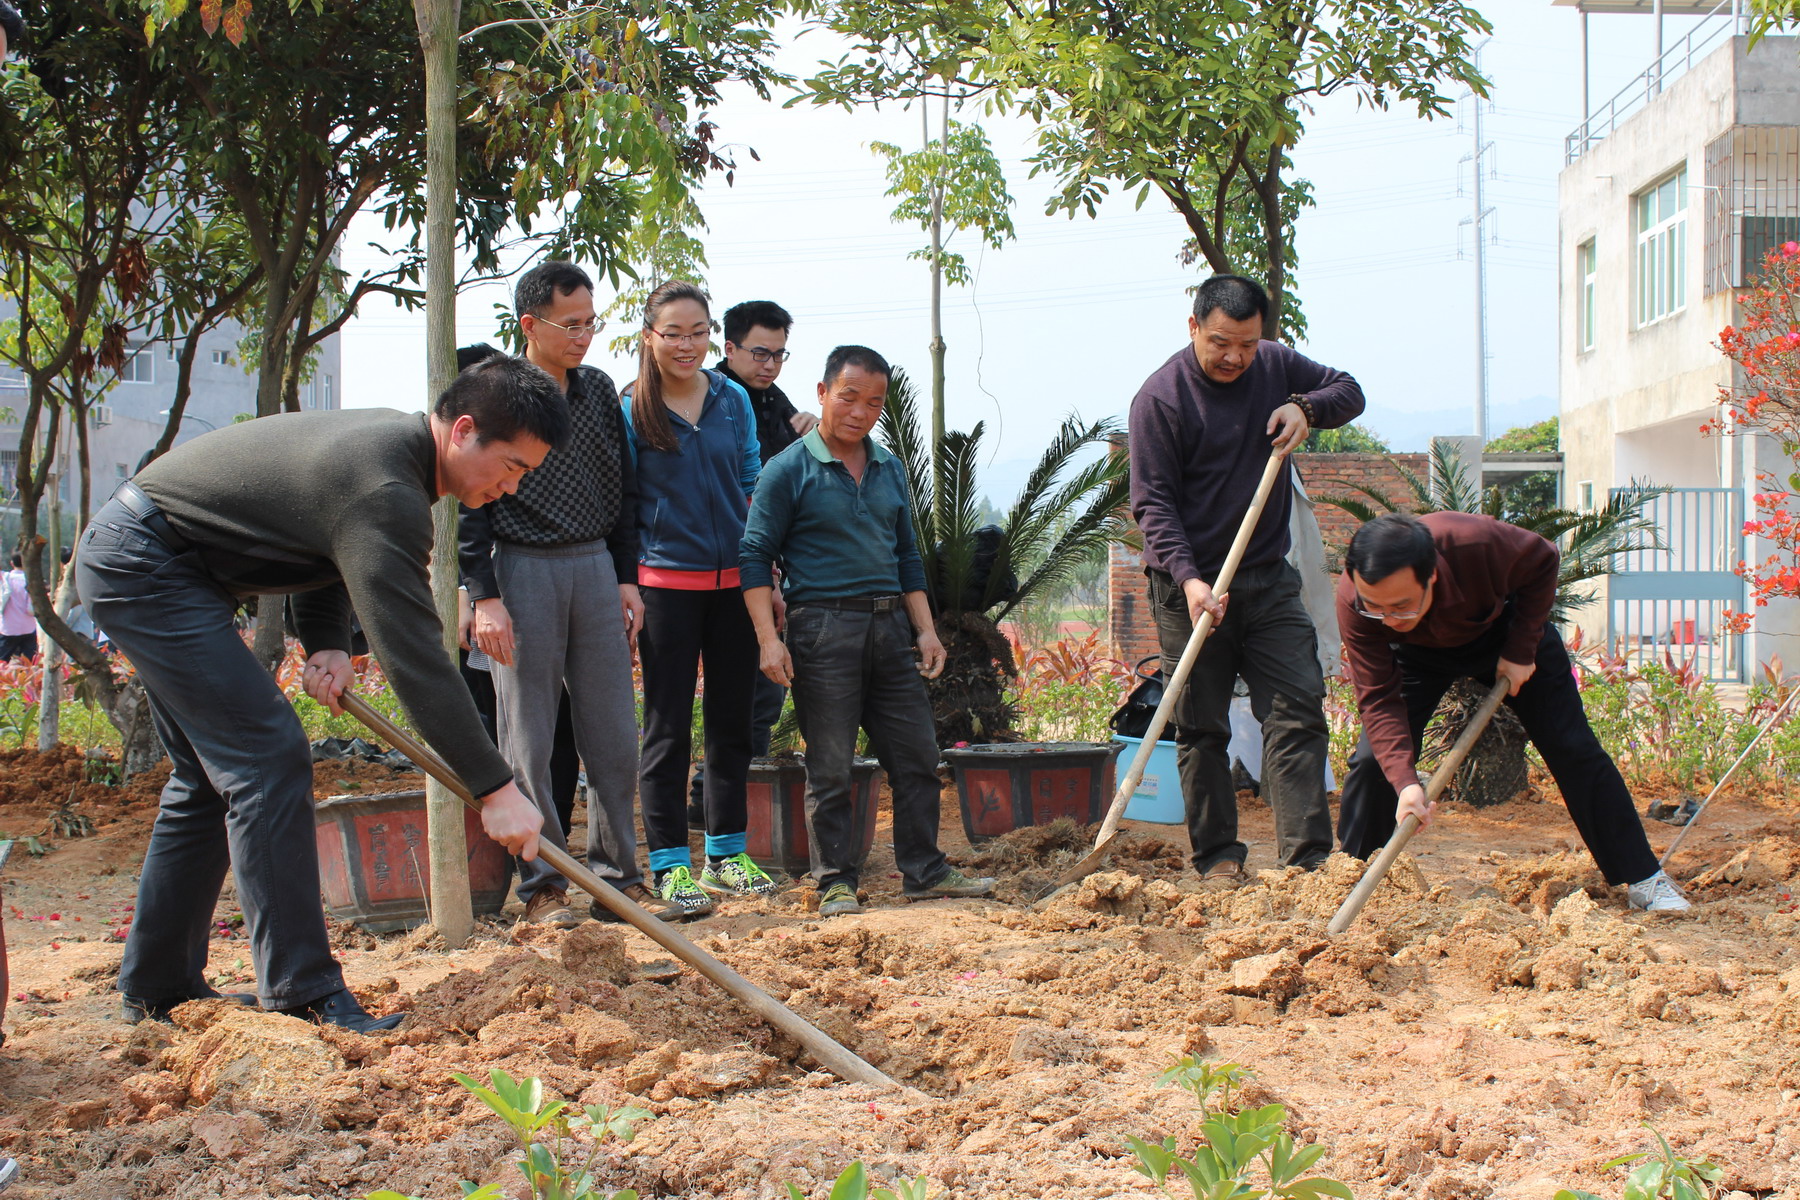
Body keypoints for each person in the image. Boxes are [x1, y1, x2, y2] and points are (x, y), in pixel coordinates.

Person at [74, 355, 562, 1033]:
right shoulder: (387, 487)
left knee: (211, 779)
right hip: (150, 564)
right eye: (511, 466)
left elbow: (325, 536)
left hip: (156, 560)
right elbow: (416, 659)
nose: (511, 487)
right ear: (464, 430)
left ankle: (159, 987)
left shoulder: (394, 460)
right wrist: (494, 787)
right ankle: (303, 992)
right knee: (267, 758)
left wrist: (328, 640)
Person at [459, 261, 679, 926]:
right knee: (525, 733)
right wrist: (483, 595)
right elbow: (468, 505)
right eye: (571, 324)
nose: (584, 335)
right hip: (521, 567)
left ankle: (619, 878)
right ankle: (543, 887)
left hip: (593, 567)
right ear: (530, 325)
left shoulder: (598, 391)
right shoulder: (492, 392)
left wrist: (625, 577)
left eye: (592, 322)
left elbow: (624, 490)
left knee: (613, 728)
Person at [741, 345, 995, 917]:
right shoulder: (787, 470)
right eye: (849, 396)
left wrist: (926, 631)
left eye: (874, 402)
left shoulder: (888, 468)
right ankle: (834, 880)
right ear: (823, 393)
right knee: (830, 764)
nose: (860, 411)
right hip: (821, 629)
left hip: (891, 629)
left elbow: (908, 556)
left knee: (917, 755)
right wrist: (767, 638)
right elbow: (755, 557)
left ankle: (925, 871)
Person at [1128, 274, 1365, 886]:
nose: (1235, 357)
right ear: (1193, 328)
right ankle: (1217, 858)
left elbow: (1349, 391)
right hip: (1190, 590)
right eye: (1220, 342)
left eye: (1248, 344)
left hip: (1268, 578)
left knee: (1296, 710)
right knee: (1201, 725)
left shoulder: (1277, 366)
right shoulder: (1161, 400)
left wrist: (1304, 407)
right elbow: (1152, 506)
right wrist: (1189, 580)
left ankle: (1307, 861)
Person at [1335, 512, 1691, 913]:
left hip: (1505, 632)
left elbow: (1544, 559)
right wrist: (1405, 784)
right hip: (1417, 657)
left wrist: (1521, 650)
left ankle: (1642, 877)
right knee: (1372, 763)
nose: (1388, 619)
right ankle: (1352, 876)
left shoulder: (1477, 544)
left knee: (1573, 748)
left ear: (1431, 576)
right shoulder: (1357, 605)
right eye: (1375, 608)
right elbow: (1379, 698)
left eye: (1400, 607)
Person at [622, 282, 778, 917]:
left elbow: (750, 481)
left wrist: (760, 568)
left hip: (735, 586)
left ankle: (726, 852)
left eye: (698, 332)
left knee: (732, 723)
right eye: (674, 333)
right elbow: (625, 502)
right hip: (665, 588)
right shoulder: (631, 407)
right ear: (649, 338)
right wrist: (626, 579)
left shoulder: (733, 398)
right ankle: (668, 863)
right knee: (666, 728)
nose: (687, 345)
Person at [686, 300, 814, 826]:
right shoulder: (707, 398)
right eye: (760, 352)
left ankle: (728, 799)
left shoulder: (779, 406)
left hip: (767, 572)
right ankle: (710, 799)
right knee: (728, 692)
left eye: (780, 355)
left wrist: (814, 435)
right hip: (705, 568)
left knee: (761, 691)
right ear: (729, 347)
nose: (770, 364)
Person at [453, 343, 580, 835]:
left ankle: (554, 834)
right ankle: (500, 842)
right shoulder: (452, 460)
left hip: (513, 592)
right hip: (485, 602)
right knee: (495, 723)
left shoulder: (509, 456)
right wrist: (471, 596)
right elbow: (462, 532)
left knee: (550, 725)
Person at [0, 554, 35, 662]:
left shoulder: (5, 579)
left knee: (2, 661)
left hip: (9, 628)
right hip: (29, 628)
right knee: (29, 663)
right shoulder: (32, 580)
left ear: (11, 563)